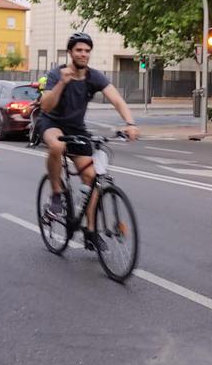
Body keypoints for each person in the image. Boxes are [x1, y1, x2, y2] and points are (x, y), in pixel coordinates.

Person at [35, 33, 140, 252]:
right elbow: (45, 106)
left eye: (86, 50)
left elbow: (116, 99)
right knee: (56, 145)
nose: (83, 54)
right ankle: (56, 194)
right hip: (52, 123)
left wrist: (130, 122)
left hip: (76, 129)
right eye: (79, 50)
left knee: (93, 179)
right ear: (70, 53)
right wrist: (62, 84)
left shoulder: (94, 77)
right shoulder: (57, 74)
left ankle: (90, 232)